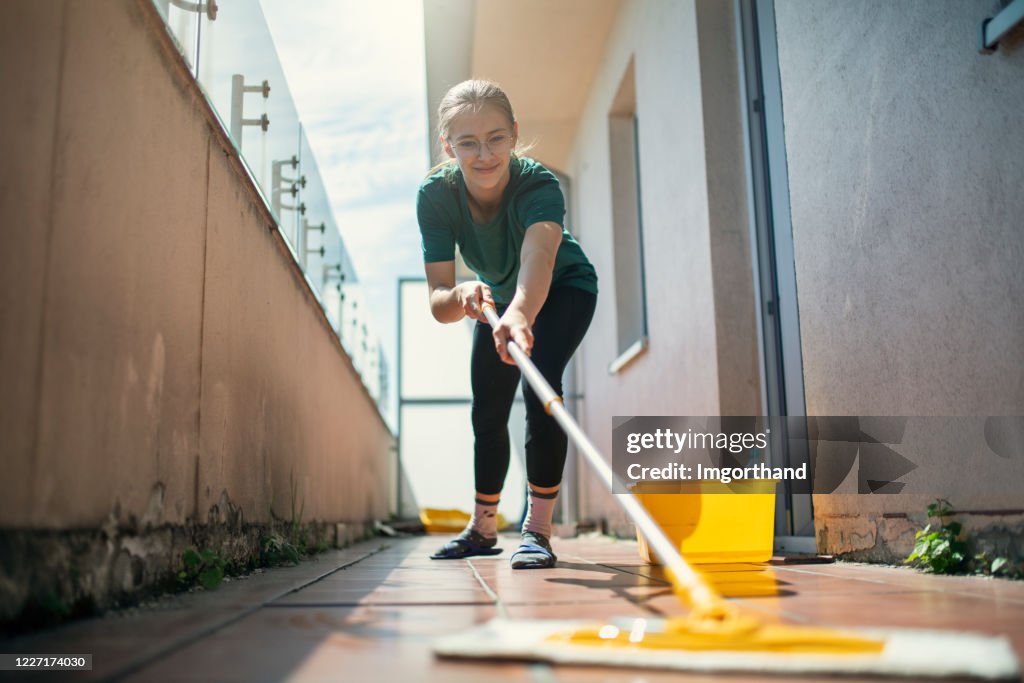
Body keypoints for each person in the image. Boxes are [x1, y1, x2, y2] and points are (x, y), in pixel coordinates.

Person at [416, 80, 598, 569]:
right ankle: (483, 528)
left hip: (563, 290)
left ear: (515, 134)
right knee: (488, 409)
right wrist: (462, 295)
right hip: (494, 298)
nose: (483, 154)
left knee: (542, 388)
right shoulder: (436, 196)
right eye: (467, 142)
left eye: (496, 138)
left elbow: (538, 258)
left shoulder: (538, 184)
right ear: (447, 145)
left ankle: (537, 531)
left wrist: (521, 313)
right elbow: (438, 301)